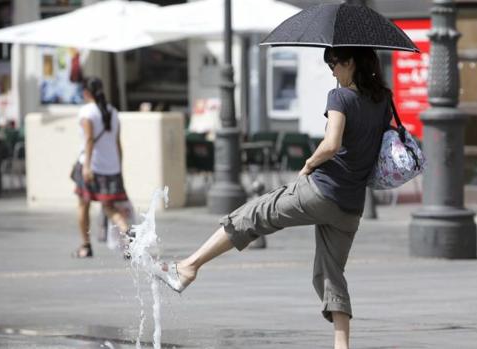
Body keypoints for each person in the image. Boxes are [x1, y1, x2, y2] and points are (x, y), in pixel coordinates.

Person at [154, 47, 391, 349]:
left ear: (351, 63)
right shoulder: (383, 100)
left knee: (253, 215)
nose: (332, 71)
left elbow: (331, 144)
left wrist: (308, 165)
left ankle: (188, 267)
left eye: (334, 64)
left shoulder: (340, 97)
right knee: (331, 273)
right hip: (351, 206)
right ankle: (341, 346)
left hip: (321, 190)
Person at [72, 77, 130, 258]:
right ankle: (127, 235)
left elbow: (89, 139)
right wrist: (119, 166)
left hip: (93, 165)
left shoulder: (87, 112)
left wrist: (87, 166)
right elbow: (117, 143)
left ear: (86, 93)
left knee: (83, 205)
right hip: (111, 167)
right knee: (110, 207)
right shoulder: (113, 111)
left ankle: (85, 246)